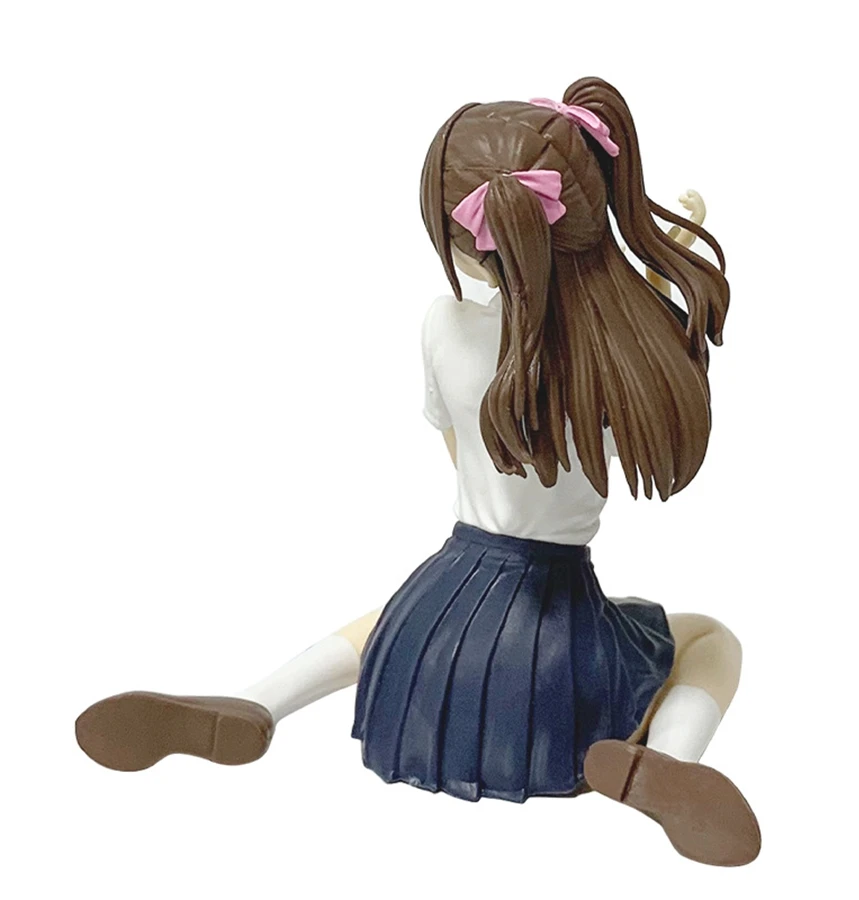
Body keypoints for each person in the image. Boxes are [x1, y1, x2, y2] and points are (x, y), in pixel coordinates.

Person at [76, 78, 760, 867]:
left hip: (445, 596)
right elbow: (639, 336)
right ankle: (669, 761)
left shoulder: (445, 326)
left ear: (466, 236)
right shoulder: (626, 354)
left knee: (396, 621)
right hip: (554, 630)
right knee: (709, 637)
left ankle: (258, 703)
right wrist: (664, 277)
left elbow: (461, 452)